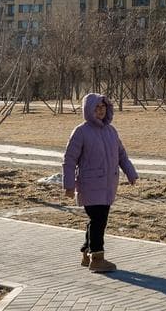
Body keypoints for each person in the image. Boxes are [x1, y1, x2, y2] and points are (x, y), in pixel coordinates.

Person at [62, 93, 138, 273]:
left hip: (107, 186)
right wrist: (69, 185)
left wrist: (131, 172)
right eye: (96, 108)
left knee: (96, 220)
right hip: (90, 185)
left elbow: (121, 155)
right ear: (88, 110)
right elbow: (69, 160)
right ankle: (97, 258)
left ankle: (86, 252)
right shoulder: (81, 132)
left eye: (103, 107)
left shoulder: (111, 131)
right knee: (98, 220)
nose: (100, 111)